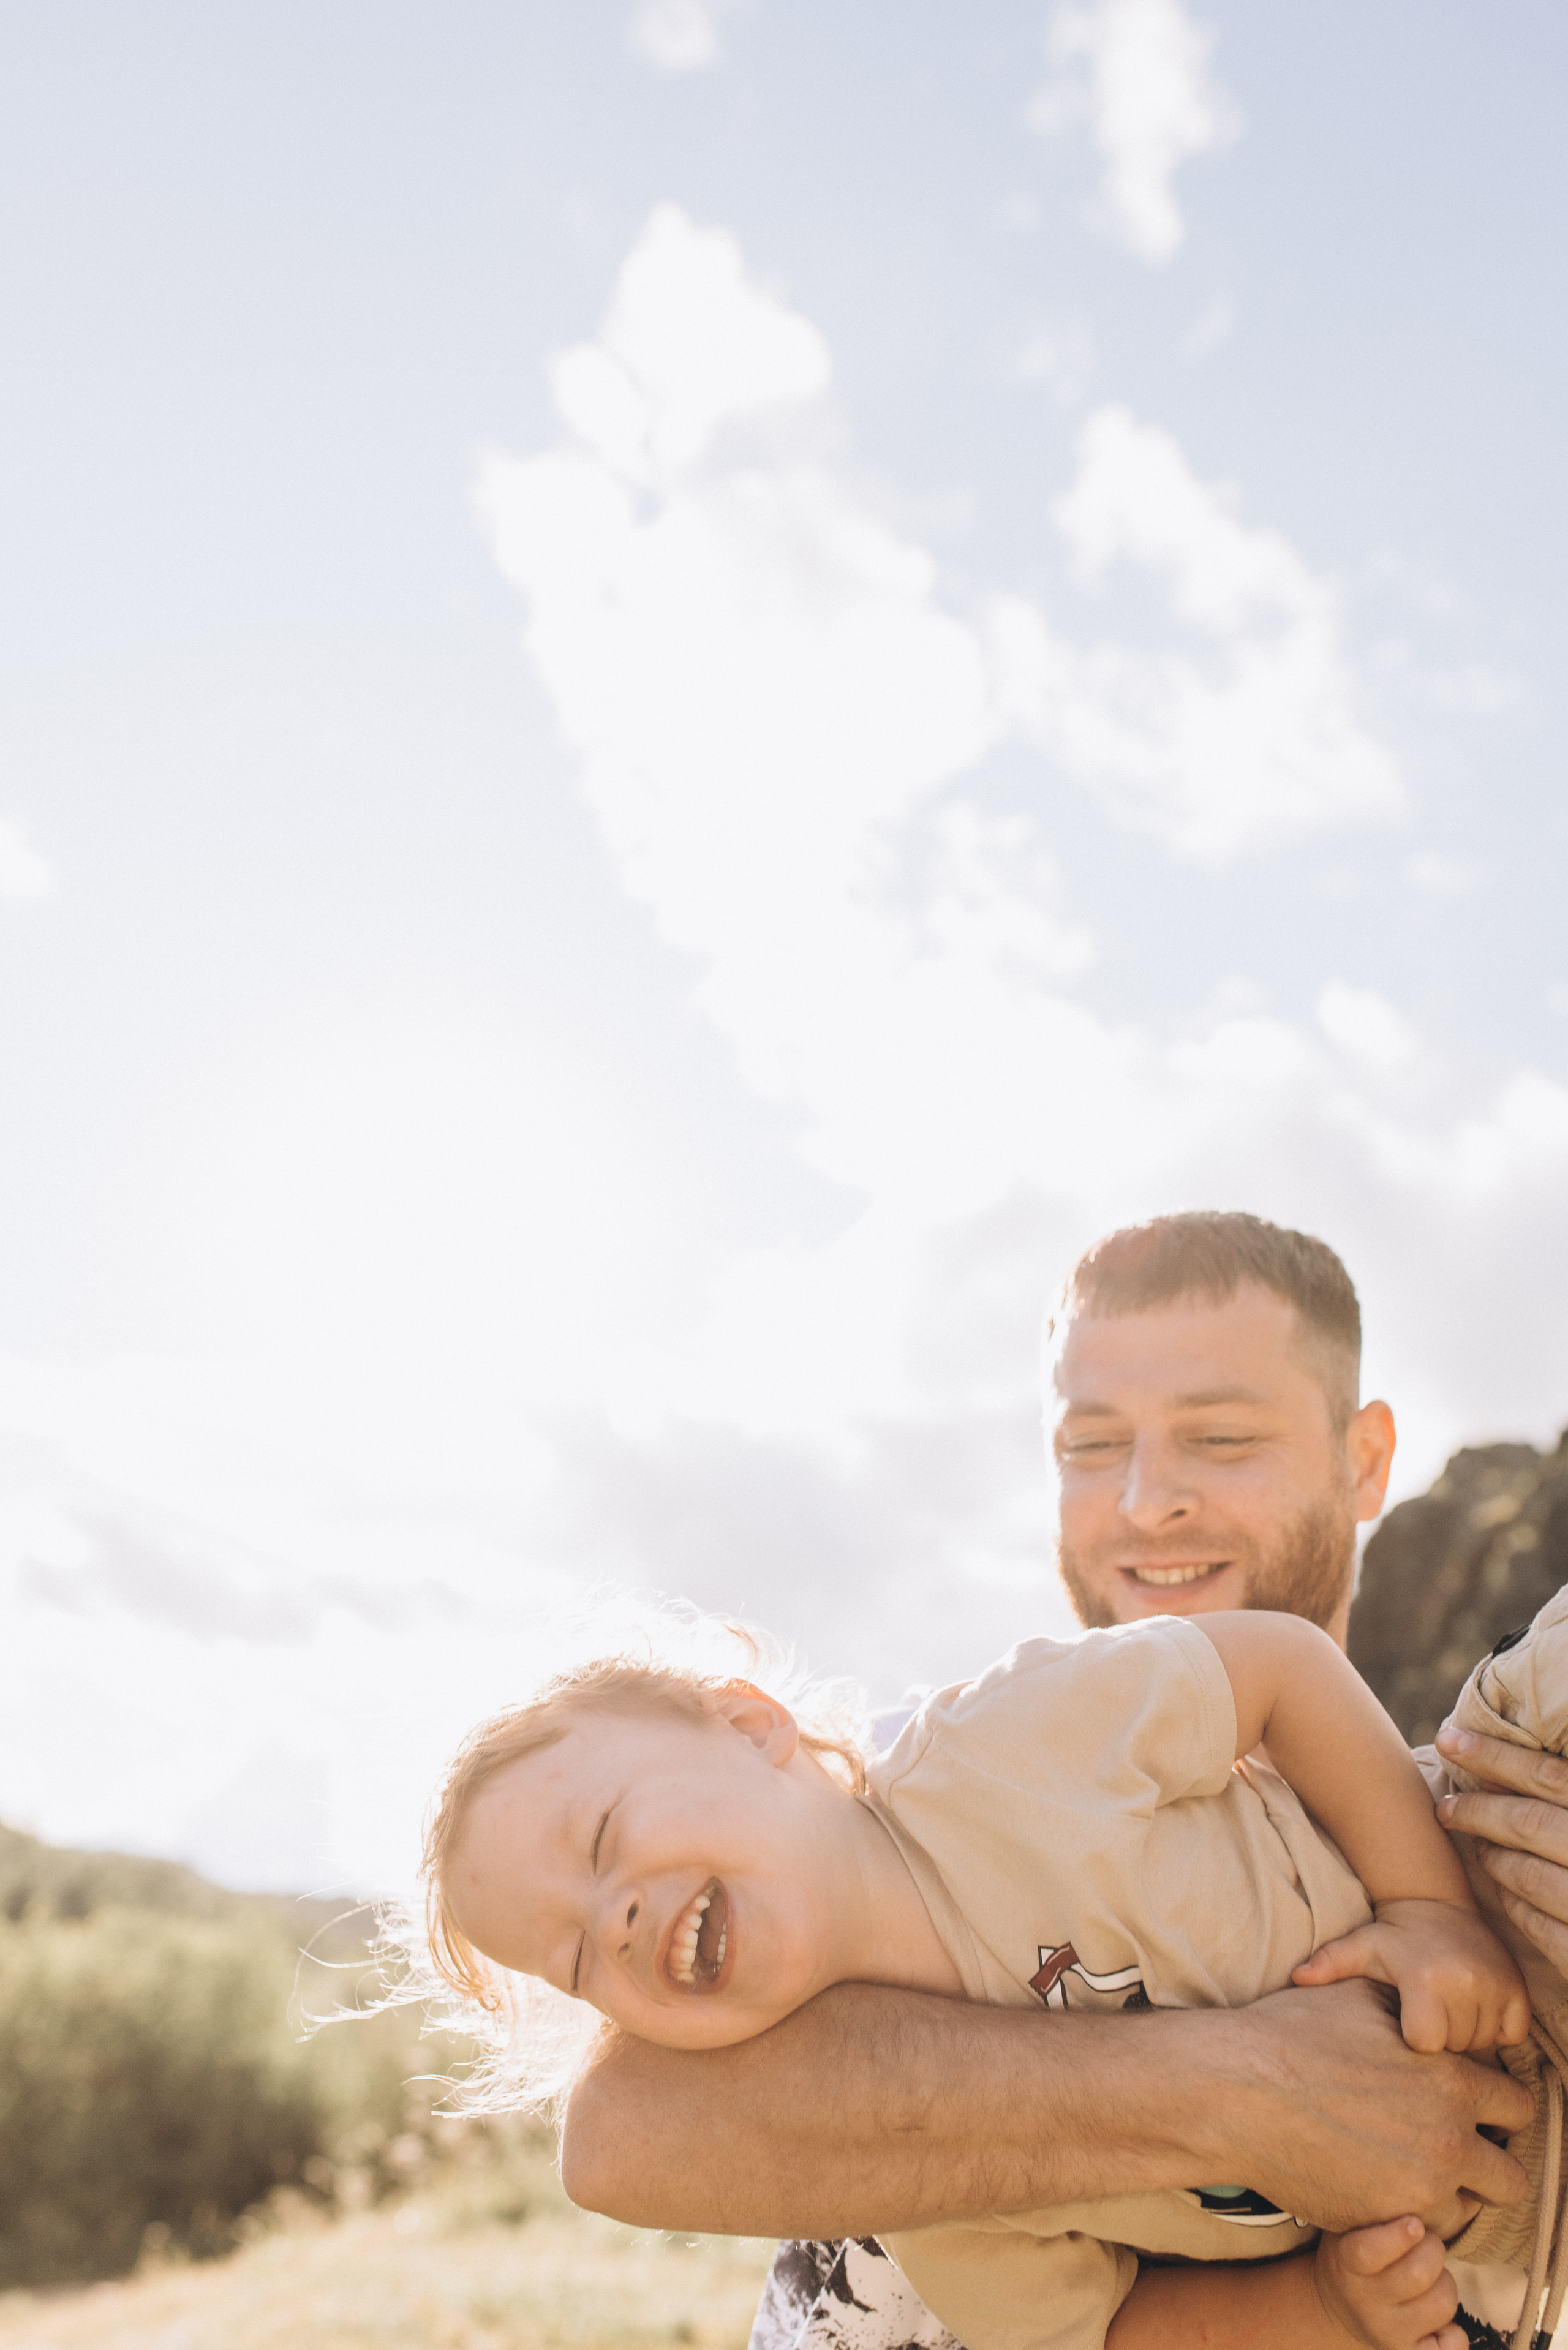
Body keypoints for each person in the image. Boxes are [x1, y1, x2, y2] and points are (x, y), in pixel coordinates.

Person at [549, 1218, 1566, 2330]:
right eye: (1090, 1447)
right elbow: (623, 2130)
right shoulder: (875, 1804)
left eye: (1221, 1437)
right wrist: (1248, 2088)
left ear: (1363, 1460)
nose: (1143, 1502)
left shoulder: (1493, 1827)